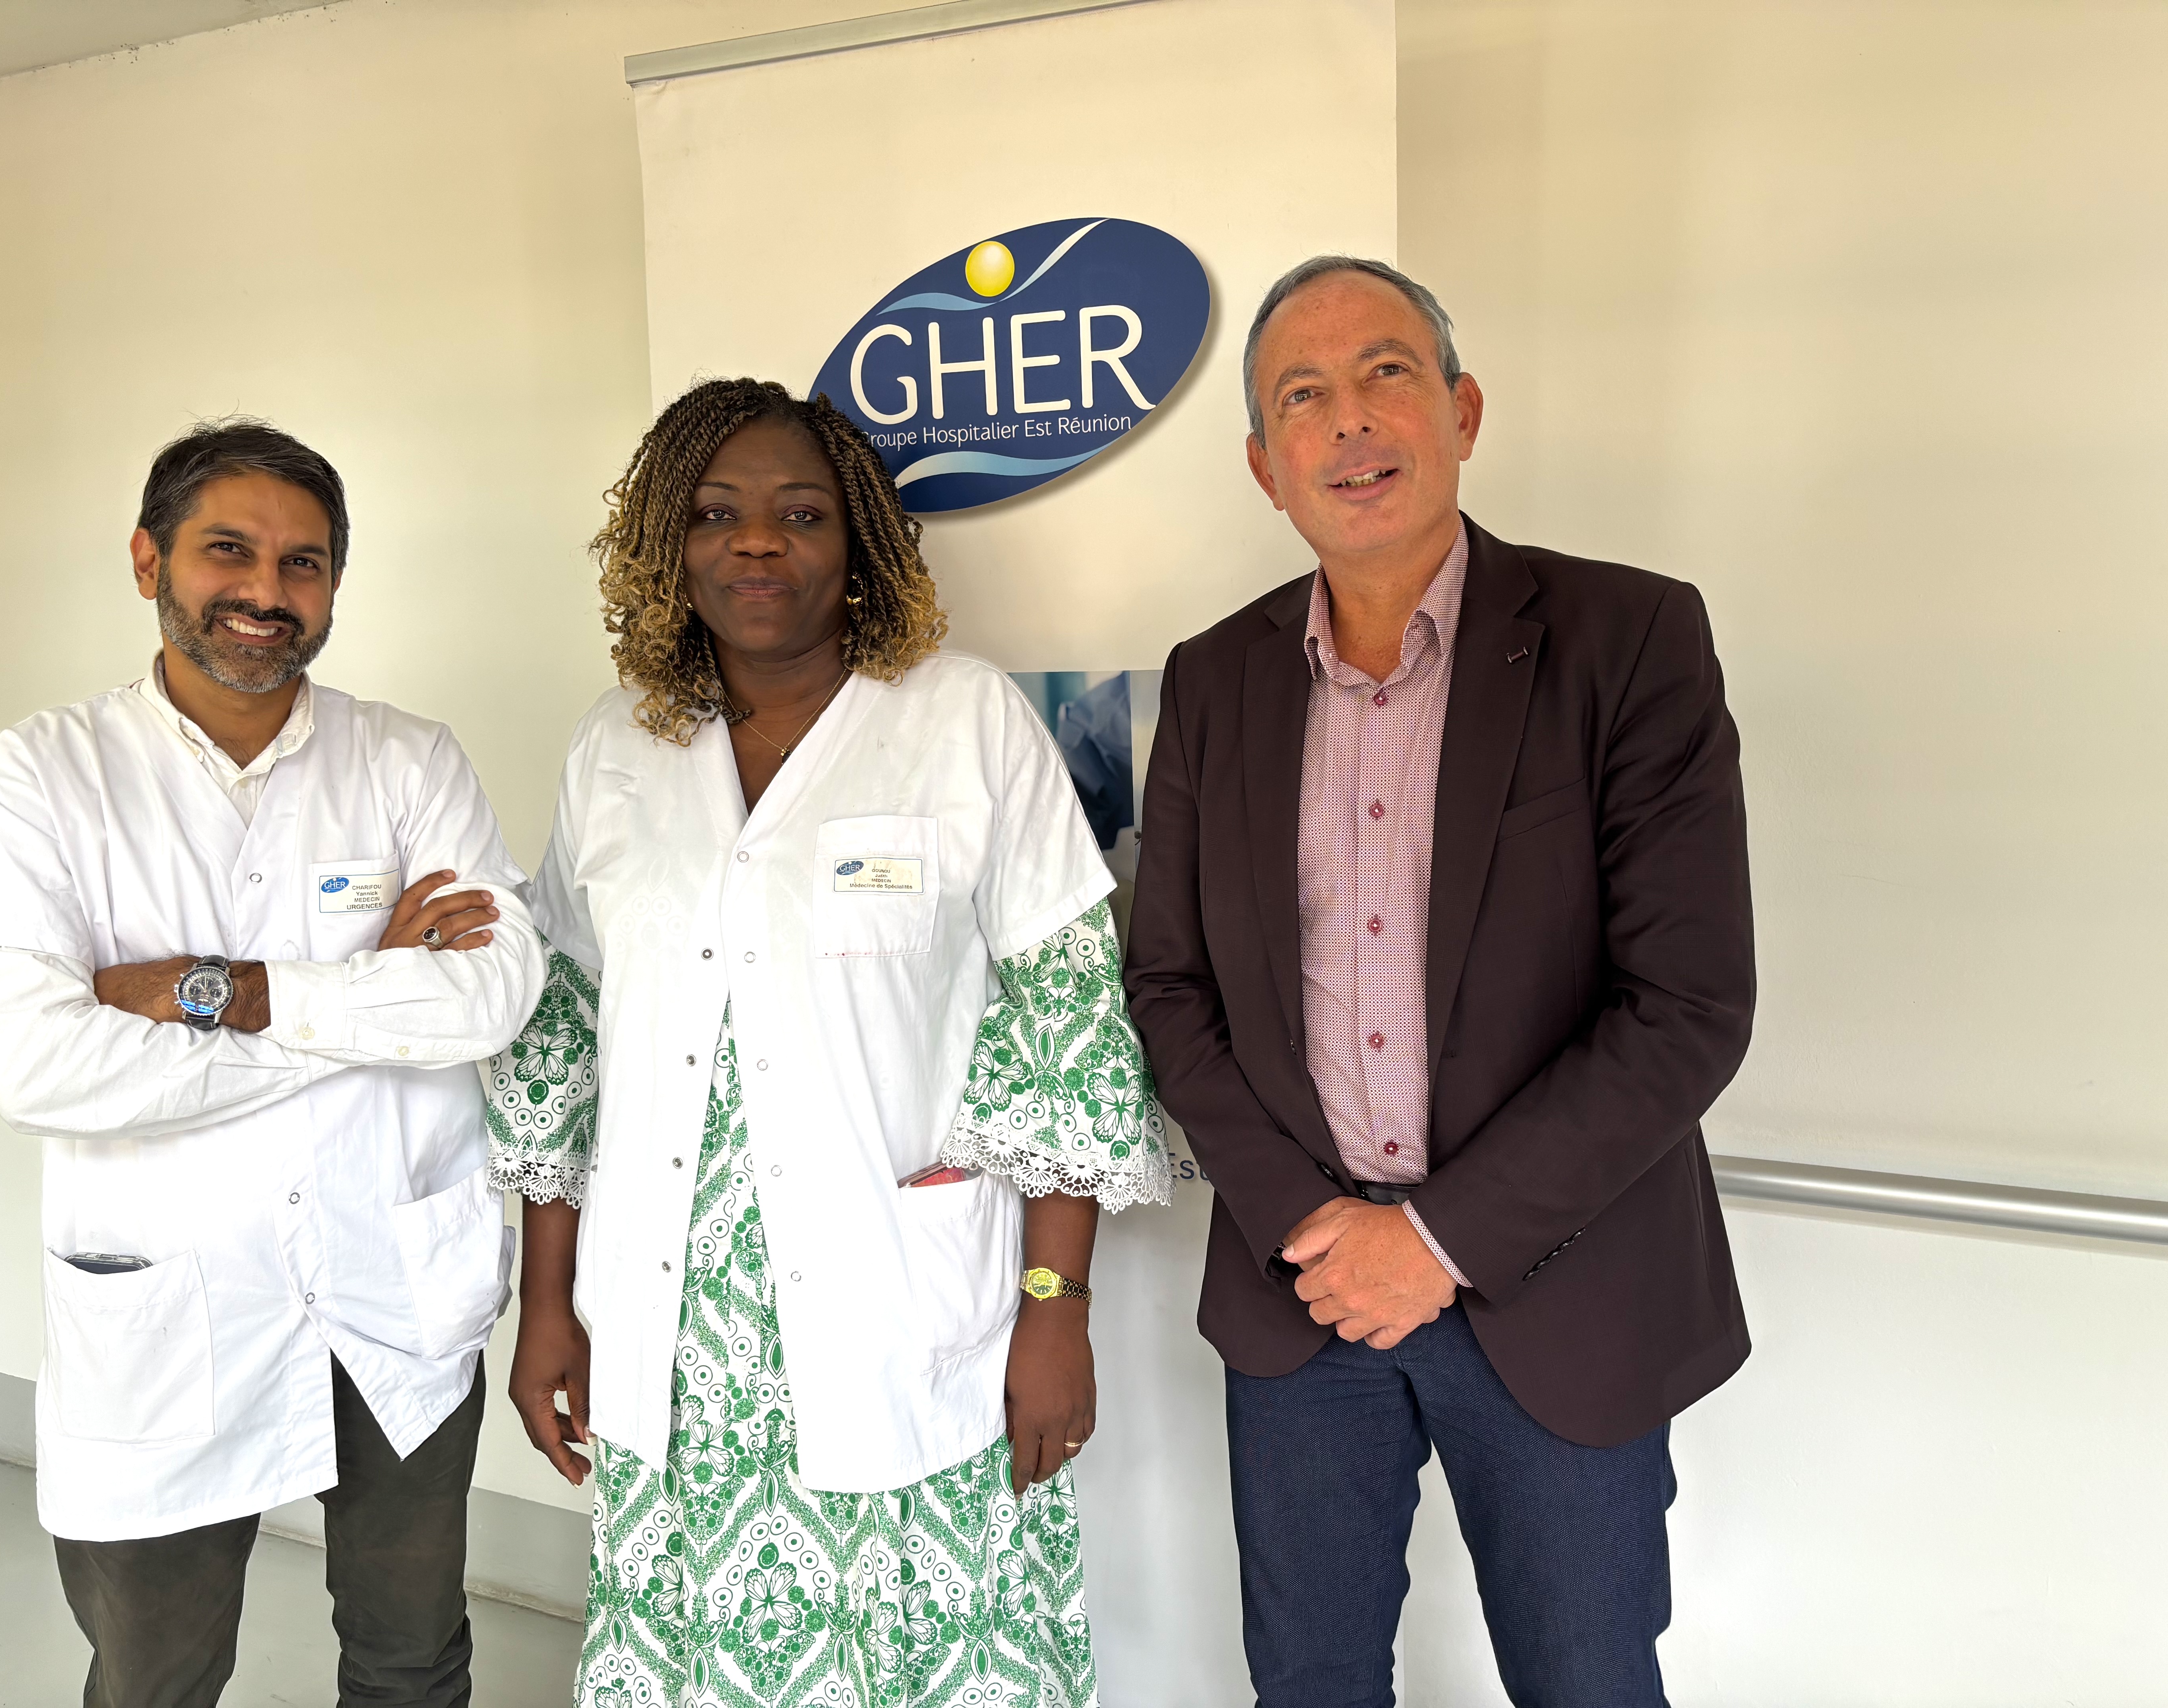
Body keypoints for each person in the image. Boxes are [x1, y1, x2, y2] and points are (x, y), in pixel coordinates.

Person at [1124, 256, 1756, 1706]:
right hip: (1304, 1295)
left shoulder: (1630, 640)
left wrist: (1437, 1240)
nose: (1349, 421)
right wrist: (1317, 1228)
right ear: (1265, 466)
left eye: (1386, 374)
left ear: (1463, 411)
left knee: (1587, 1681)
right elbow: (1169, 987)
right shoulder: (1214, 680)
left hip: (1560, 1282)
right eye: (1303, 396)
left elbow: (1687, 1006)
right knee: (1310, 1681)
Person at [489, 378, 1170, 1708]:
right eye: (716, 514)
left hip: (901, 1309)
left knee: (932, 1653)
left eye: (801, 513)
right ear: (666, 543)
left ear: (855, 538)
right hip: (681, 1338)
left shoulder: (963, 719)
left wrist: (1056, 1310)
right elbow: (563, 1038)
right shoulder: (616, 746)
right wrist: (547, 1304)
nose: (759, 541)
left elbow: (1065, 1023)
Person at [0, 418, 545, 1708]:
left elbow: (494, 991)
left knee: (414, 1657)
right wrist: (370, 998)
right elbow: (44, 1065)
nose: (267, 590)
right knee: (155, 1672)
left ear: (334, 583)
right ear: (148, 559)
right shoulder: (39, 777)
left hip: (392, 1294)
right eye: (229, 551)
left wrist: (224, 992)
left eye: (303, 562)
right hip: (169, 1303)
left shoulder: (410, 758)